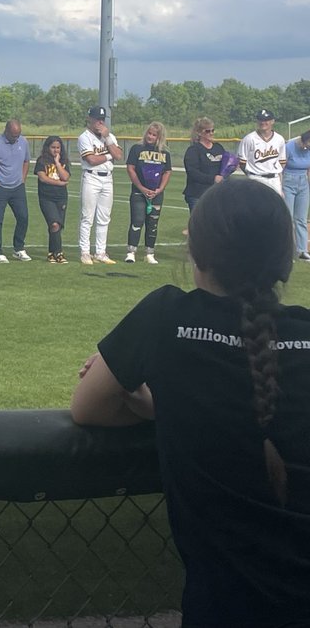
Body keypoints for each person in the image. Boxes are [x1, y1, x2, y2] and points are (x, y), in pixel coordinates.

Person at [71, 178, 310, 627]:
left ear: (198, 256)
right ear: (284, 260)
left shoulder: (167, 316)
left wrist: (162, 404)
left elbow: (88, 407)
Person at [0, 119, 31, 263]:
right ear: (6, 131)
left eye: (18, 135)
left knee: (23, 217)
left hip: (17, 187)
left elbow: (27, 161)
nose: (16, 138)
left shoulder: (23, 142)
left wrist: (23, 179)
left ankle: (19, 248)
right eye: (14, 135)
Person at [77, 105, 123, 265]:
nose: (100, 122)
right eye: (97, 119)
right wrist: (110, 155)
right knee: (87, 217)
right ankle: (84, 252)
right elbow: (91, 160)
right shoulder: (85, 137)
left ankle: (100, 252)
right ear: (90, 119)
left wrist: (108, 138)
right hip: (91, 177)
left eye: (102, 120)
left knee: (104, 217)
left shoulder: (109, 136)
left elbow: (119, 155)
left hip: (108, 178)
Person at [124, 121, 172, 265]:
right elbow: (130, 168)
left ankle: (149, 252)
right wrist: (141, 187)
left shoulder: (165, 152)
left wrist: (160, 189)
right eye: (149, 133)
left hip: (156, 193)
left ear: (159, 137)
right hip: (139, 192)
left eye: (154, 135)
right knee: (137, 220)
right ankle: (131, 251)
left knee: (153, 223)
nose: (150, 137)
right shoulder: (137, 149)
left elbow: (167, 171)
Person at [35, 136, 70, 264]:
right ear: (48, 148)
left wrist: (58, 163)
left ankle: (51, 253)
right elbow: (43, 178)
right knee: (54, 223)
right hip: (46, 197)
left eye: (58, 148)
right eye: (53, 147)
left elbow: (65, 176)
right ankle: (59, 252)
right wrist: (58, 183)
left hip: (61, 198)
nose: (56, 150)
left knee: (56, 226)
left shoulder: (64, 161)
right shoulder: (42, 161)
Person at [237, 107, 287, 196]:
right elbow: (242, 162)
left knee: (275, 208)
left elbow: (281, 163)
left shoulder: (279, 139)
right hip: (255, 178)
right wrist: (252, 173)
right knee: (255, 208)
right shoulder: (249, 139)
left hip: (274, 179)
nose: (263, 122)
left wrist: (280, 185)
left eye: (266, 120)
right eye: (260, 119)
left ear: (272, 121)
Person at [183, 117, 228, 211]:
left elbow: (223, 169)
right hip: (197, 194)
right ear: (199, 133)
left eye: (212, 130)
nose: (211, 133)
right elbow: (193, 172)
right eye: (207, 131)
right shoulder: (194, 150)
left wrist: (230, 168)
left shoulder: (218, 147)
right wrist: (212, 178)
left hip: (215, 192)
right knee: (200, 224)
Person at [284, 130, 310, 263]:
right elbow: (281, 166)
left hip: (303, 182)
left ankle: (302, 250)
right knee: (288, 217)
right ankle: (288, 250)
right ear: (303, 140)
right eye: (306, 145)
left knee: (301, 218)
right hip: (288, 180)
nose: (306, 148)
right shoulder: (289, 146)